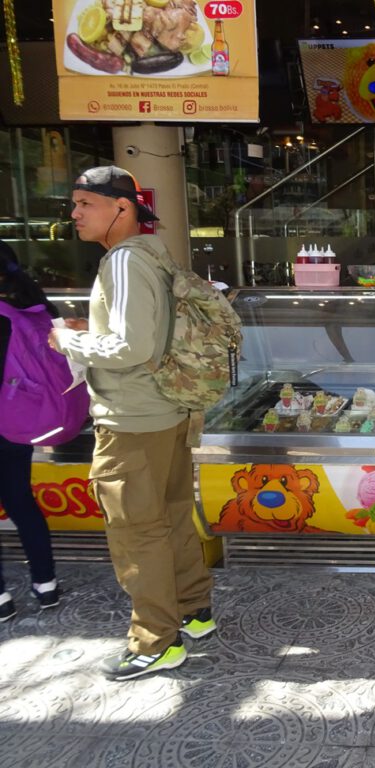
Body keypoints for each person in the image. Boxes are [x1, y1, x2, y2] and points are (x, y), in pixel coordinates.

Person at [49, 166, 215, 681]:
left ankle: (155, 640)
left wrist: (69, 340)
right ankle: (194, 611)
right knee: (170, 518)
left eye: (84, 204)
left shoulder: (121, 262)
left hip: (132, 423)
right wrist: (92, 325)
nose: (74, 214)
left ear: (120, 208)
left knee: (136, 534)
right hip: (167, 412)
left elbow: (131, 346)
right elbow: (145, 330)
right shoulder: (152, 253)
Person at [0, 242, 61, 621]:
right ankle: (46, 583)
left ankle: (2, 600)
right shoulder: (34, 304)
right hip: (20, 422)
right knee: (22, 501)